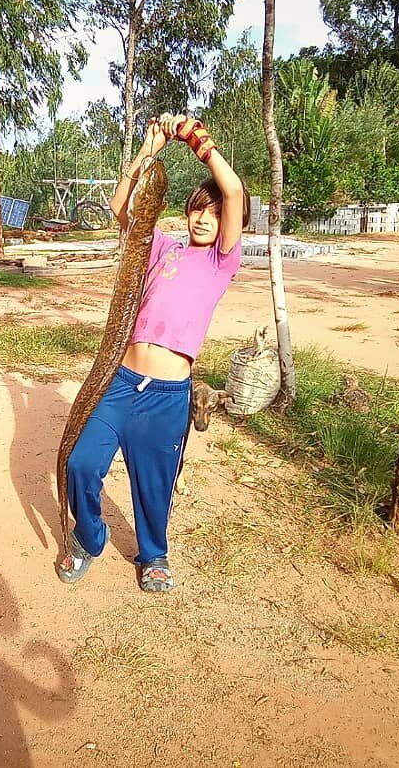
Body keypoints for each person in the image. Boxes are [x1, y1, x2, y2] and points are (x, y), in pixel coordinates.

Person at [59, 112, 248, 592]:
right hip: (120, 383)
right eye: (195, 210)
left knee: (154, 482)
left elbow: (234, 192)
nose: (203, 218)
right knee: (82, 462)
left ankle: (154, 553)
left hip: (167, 394)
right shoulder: (162, 248)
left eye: (212, 212)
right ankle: (89, 538)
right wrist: (150, 146)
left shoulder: (221, 261)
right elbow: (122, 208)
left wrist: (195, 139)